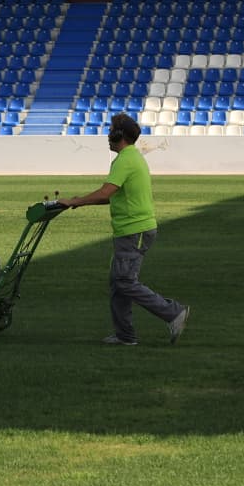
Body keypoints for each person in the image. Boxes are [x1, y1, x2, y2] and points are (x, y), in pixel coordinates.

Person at [63, 112, 190, 346]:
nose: (108, 136)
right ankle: (125, 335)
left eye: (111, 131)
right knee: (118, 283)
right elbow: (110, 196)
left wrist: (75, 201)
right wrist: (78, 202)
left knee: (124, 281)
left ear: (119, 136)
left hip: (134, 230)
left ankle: (173, 312)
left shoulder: (125, 160)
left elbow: (106, 191)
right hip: (131, 230)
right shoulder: (131, 157)